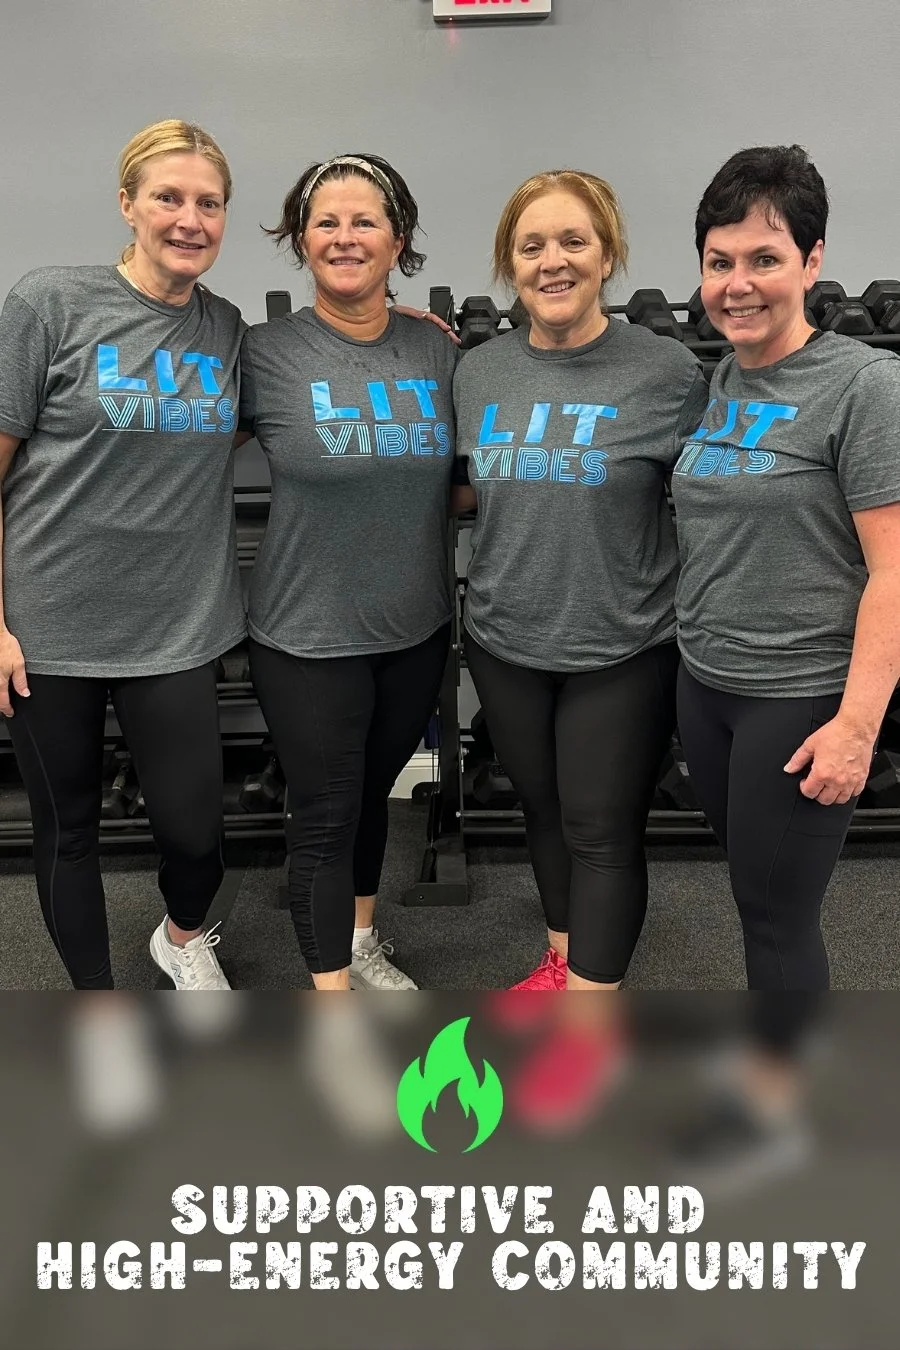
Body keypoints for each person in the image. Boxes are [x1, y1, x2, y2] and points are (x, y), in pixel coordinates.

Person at [0, 119, 246, 990]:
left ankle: (180, 938)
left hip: (176, 626)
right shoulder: (49, 302)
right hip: (50, 625)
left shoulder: (224, 328)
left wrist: (394, 317)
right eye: (168, 198)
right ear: (128, 204)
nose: (189, 218)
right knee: (68, 829)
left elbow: (318, 361)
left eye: (208, 202)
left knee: (194, 834)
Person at [453, 170, 709, 990]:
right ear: (510, 264)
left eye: (574, 242)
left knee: (601, 829)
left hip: (623, 643)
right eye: (531, 246)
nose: (552, 261)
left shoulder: (664, 372)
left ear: (608, 257)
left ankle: (590, 1018)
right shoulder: (477, 373)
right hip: (504, 637)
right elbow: (466, 487)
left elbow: (720, 496)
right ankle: (564, 960)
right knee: (545, 813)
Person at [672, 144, 900, 992]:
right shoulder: (724, 378)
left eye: (764, 259)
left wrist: (856, 727)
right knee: (750, 893)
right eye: (719, 261)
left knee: (776, 918)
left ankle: (778, 1113)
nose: (738, 283)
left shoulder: (866, 387)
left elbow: (897, 573)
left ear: (812, 261)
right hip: (709, 686)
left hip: (799, 698)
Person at [238, 154, 457, 991]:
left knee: (373, 798)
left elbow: (468, 477)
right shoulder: (264, 354)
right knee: (325, 817)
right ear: (301, 239)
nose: (345, 236)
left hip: (413, 629)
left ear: (398, 238)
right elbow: (170, 465)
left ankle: (361, 940)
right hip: (305, 635)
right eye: (325, 221)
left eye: (364, 220)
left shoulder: (435, 354)